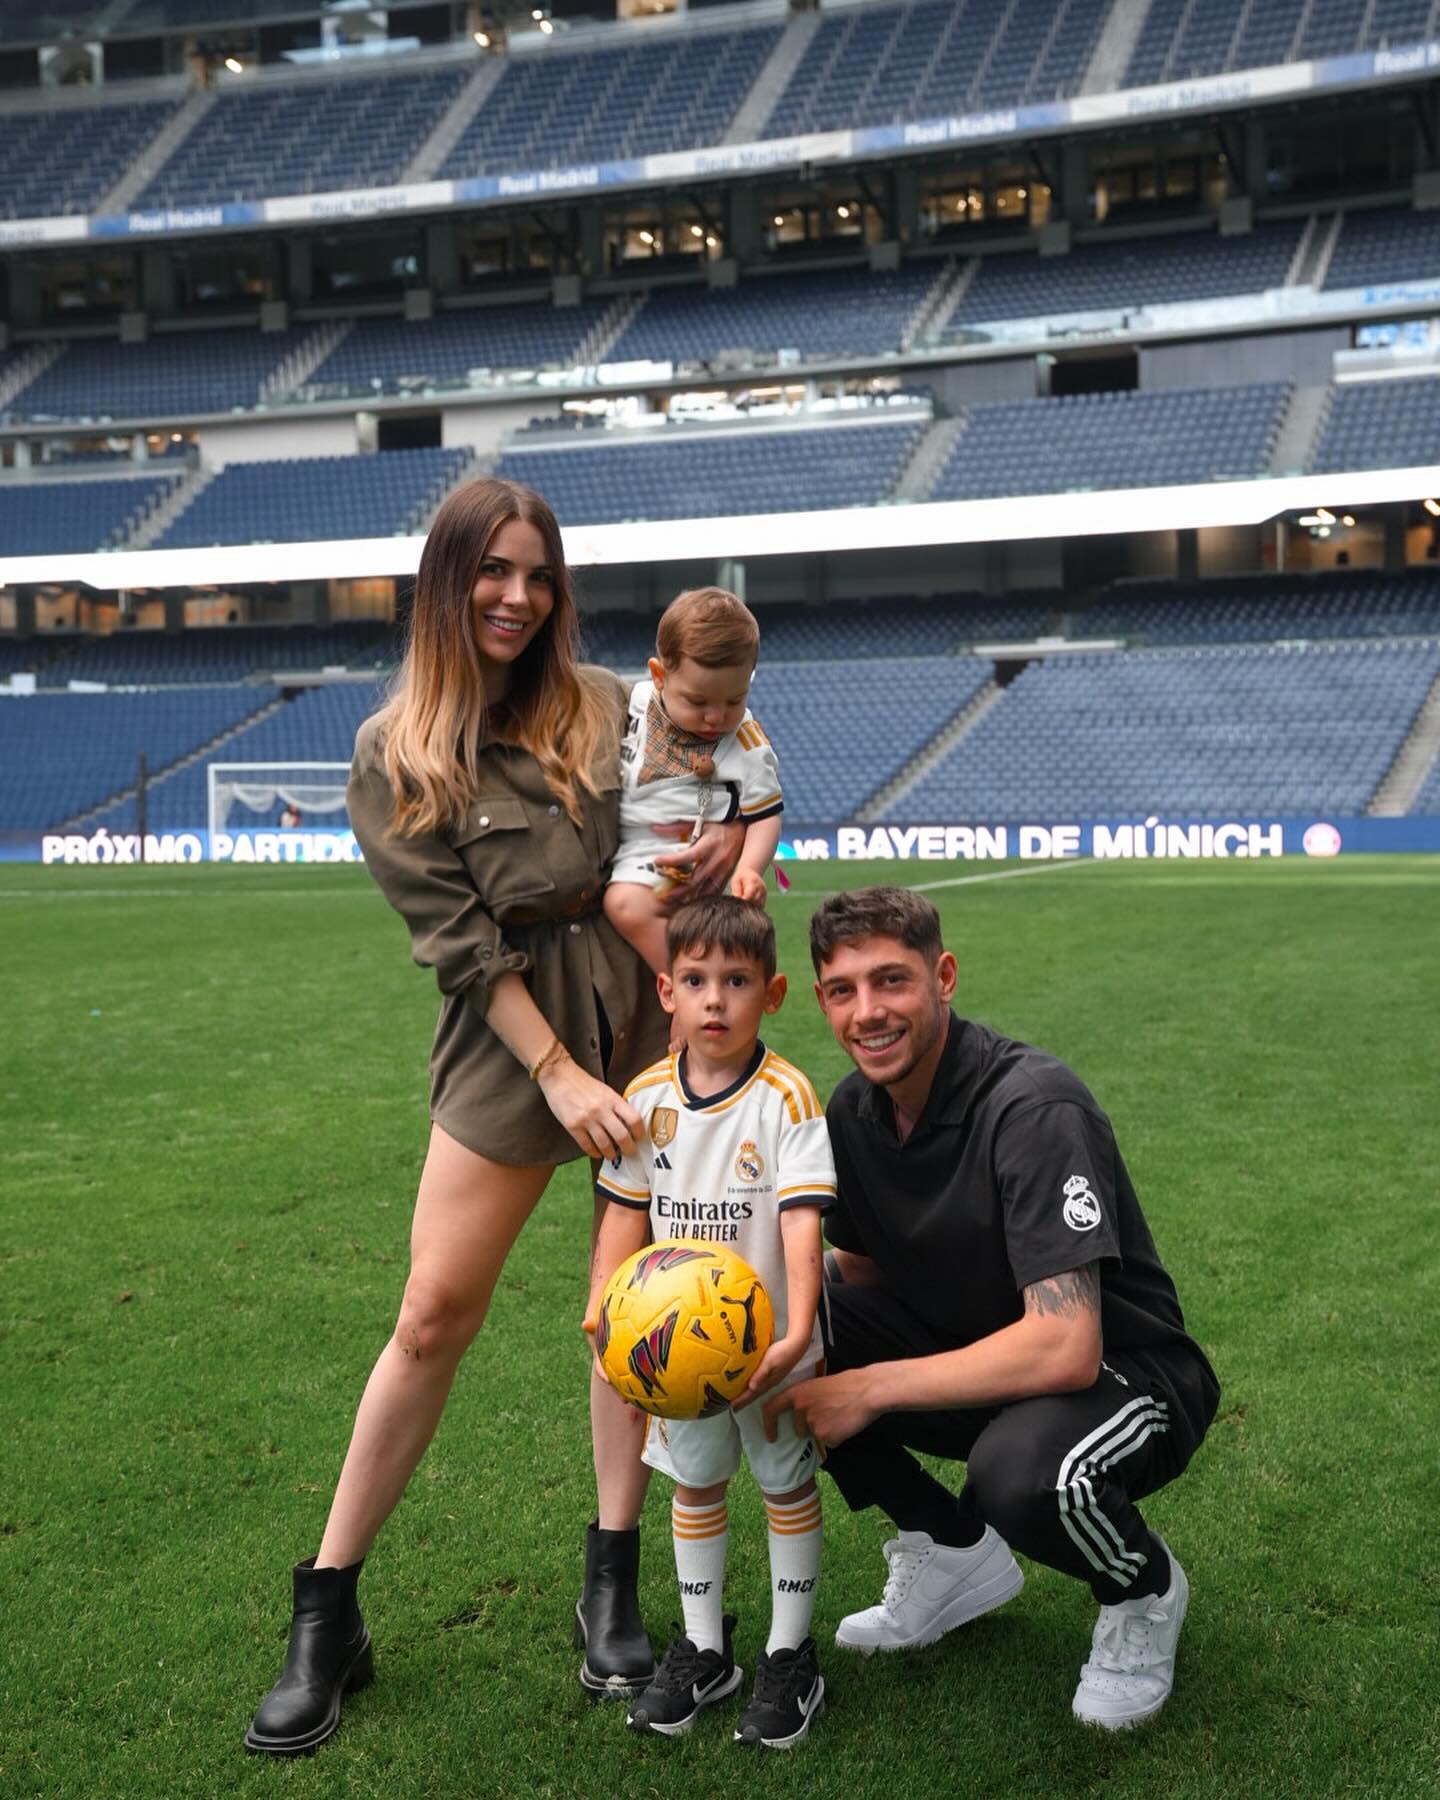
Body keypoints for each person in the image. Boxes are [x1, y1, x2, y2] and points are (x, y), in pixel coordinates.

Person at [244, 477, 742, 1756]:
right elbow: (461, 945)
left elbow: (722, 758)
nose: (517, 597)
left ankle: (612, 1582)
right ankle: (328, 1611)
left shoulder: (612, 705)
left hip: (650, 1019)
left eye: (538, 574)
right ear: (446, 580)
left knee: (638, 1311)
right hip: (512, 1039)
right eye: (493, 571)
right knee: (431, 1317)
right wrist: (559, 1073)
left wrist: (727, 848)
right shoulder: (395, 751)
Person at [765, 886, 1220, 1732]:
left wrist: (870, 1388)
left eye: (891, 980)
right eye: (843, 990)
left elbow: (1065, 1345)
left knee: (1021, 1474)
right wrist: (751, 1309)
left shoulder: (1032, 1106)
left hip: (1126, 1375)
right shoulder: (853, 1111)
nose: (868, 1012)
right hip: (984, 1355)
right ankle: (949, 1549)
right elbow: (858, 1269)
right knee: (783, 1335)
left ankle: (1143, 1590)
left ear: (943, 977)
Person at [586, 896, 832, 1749]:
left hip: (771, 1350)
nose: (715, 1000)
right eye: (695, 981)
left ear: (773, 994)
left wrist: (797, 1333)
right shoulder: (647, 1095)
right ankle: (704, 1649)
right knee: (694, 1485)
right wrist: (601, 1309)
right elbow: (625, 1211)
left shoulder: (787, 1096)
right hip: (674, 1358)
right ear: (667, 992)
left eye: (737, 981)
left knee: (784, 1484)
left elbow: (802, 1222)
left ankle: (789, 1654)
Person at [603, 587, 783, 977]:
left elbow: (766, 814)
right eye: (698, 702)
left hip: (682, 863)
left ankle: (684, 984)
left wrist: (750, 868)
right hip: (628, 849)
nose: (716, 717)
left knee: (624, 904)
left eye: (734, 700)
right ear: (659, 676)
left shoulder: (747, 742)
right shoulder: (633, 703)